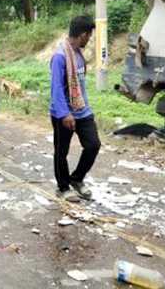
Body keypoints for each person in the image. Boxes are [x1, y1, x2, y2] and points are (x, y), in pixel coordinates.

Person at [50, 15, 101, 203]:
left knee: (93, 145)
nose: (89, 39)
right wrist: (65, 113)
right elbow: (56, 89)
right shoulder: (60, 57)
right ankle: (63, 187)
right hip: (63, 114)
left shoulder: (78, 54)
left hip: (83, 111)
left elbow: (78, 85)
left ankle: (77, 179)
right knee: (61, 152)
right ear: (82, 35)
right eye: (89, 36)